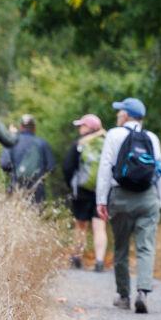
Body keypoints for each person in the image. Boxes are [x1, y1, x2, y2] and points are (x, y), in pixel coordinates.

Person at [95, 97, 161, 313]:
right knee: (146, 247)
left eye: (120, 112)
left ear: (125, 115)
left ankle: (124, 295)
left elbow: (105, 167)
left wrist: (101, 199)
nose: (118, 115)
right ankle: (143, 292)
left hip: (121, 196)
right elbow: (159, 170)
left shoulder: (113, 134)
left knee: (121, 246)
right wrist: (159, 199)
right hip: (148, 197)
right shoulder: (151, 138)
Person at [59, 113, 109, 270]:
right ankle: (99, 262)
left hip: (81, 190)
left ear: (90, 127)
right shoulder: (107, 142)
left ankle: (76, 258)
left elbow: (67, 166)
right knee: (99, 226)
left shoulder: (80, 144)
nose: (80, 128)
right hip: (102, 191)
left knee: (81, 225)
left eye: (82, 125)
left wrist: (71, 184)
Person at [2, 114, 55, 205]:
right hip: (37, 188)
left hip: (16, 186)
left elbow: (4, 164)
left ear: (21, 127)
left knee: (15, 215)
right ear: (34, 128)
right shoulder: (42, 144)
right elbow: (51, 167)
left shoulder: (12, 142)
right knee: (35, 215)